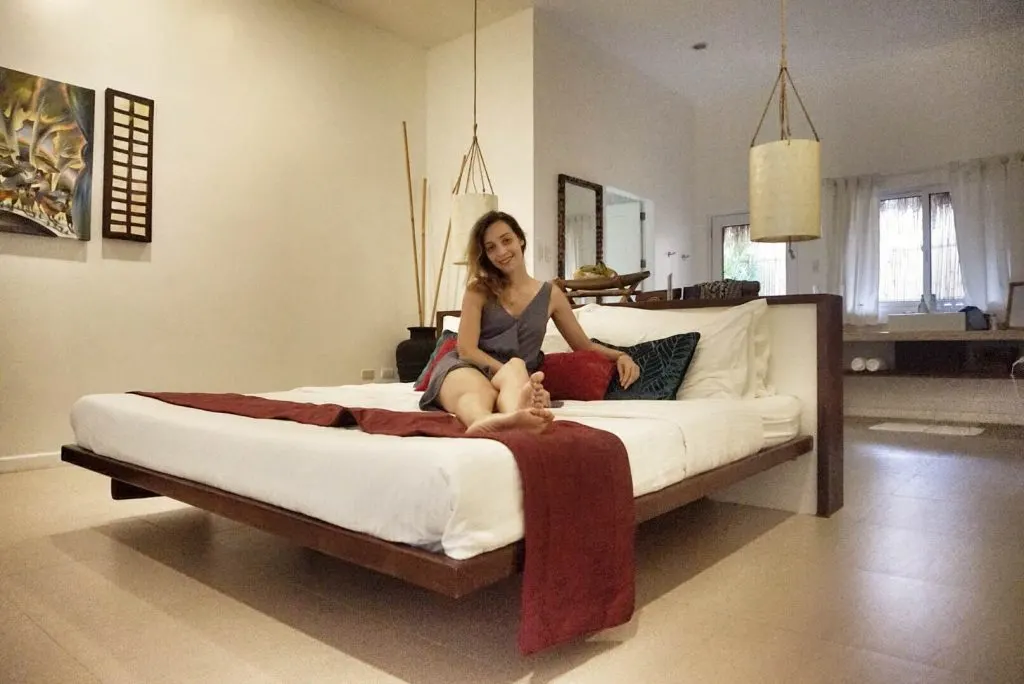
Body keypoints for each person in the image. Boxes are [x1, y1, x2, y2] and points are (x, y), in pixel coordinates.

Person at [419, 210, 641, 434]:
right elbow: (466, 350)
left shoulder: (551, 295)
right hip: (468, 367)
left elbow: (583, 346)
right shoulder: (479, 290)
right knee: (479, 391)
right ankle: (481, 421)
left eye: (506, 240)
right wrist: (504, 371)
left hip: (516, 377)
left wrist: (621, 355)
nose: (501, 252)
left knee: (515, 368)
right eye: (491, 247)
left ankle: (516, 419)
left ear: (520, 239)